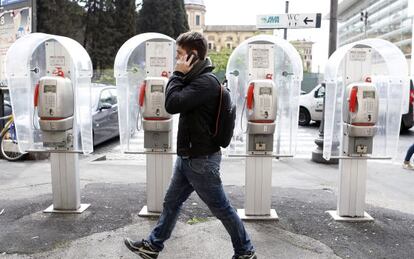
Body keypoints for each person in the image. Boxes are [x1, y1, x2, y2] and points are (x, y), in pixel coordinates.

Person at [124, 31, 256, 259]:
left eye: (179, 55)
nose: (176, 59)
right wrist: (180, 76)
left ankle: (245, 252)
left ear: (192, 56)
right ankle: (153, 246)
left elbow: (172, 103)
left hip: (201, 160)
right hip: (188, 157)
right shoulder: (195, 80)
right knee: (171, 203)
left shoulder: (205, 83)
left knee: (221, 208)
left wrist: (175, 74)